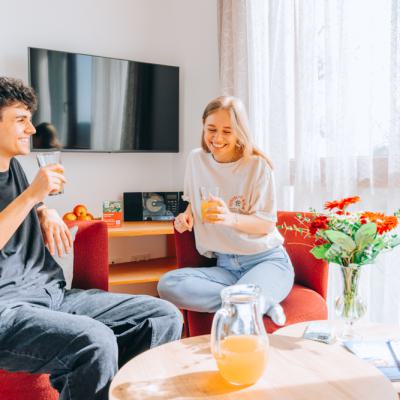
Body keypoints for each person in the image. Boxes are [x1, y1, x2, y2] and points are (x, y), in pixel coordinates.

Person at [0, 77, 182, 400]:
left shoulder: (12, 167)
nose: (31, 129)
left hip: (53, 294)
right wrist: (32, 198)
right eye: (20, 120)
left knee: (165, 316)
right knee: (96, 340)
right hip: (8, 310)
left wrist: (44, 210)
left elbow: (17, 206)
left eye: (30, 118)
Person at [158, 96, 294, 326]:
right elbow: (194, 201)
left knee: (238, 320)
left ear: (239, 132)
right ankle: (254, 300)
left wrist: (230, 218)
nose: (217, 138)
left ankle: (251, 299)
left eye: (227, 131)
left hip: (265, 260)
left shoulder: (257, 166)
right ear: (203, 126)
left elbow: (266, 224)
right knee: (168, 285)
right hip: (225, 268)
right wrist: (186, 217)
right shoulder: (196, 160)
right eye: (211, 129)